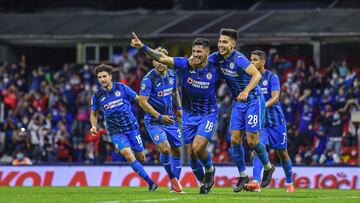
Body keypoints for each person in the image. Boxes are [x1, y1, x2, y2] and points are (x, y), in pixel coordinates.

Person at [131, 33, 219, 194]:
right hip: (162, 119)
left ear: (207, 52)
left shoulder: (176, 73)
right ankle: (198, 182)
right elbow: (142, 101)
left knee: (190, 149)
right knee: (186, 153)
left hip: (200, 114)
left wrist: (177, 109)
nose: (196, 55)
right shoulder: (177, 67)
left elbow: (174, 92)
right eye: (194, 52)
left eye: (199, 52)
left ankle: (207, 170)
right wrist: (142, 47)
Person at [208, 29, 275, 192]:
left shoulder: (239, 58)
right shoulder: (216, 57)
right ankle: (243, 175)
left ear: (233, 44)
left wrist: (245, 91)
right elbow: (199, 61)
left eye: (225, 42)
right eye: (219, 41)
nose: (221, 45)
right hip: (238, 103)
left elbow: (257, 76)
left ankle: (268, 167)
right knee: (235, 140)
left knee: (252, 141)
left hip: (253, 100)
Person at [90, 64, 158, 192]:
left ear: (110, 76)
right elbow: (94, 113)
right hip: (115, 131)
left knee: (141, 157)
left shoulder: (121, 87)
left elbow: (138, 99)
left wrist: (151, 110)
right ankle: (151, 183)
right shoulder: (97, 95)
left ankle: (144, 171)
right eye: (99, 77)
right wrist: (93, 125)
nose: (102, 79)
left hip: (131, 127)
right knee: (127, 154)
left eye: (104, 76)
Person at [244, 50, 294, 192]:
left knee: (282, 152)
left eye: (254, 59)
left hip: (276, 121)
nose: (252, 62)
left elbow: (275, 97)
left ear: (262, 62)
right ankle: (255, 182)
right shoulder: (249, 78)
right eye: (251, 59)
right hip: (261, 122)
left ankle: (290, 183)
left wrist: (262, 106)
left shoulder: (272, 77)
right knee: (258, 150)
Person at [139, 47, 183, 193]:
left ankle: (175, 186)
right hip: (155, 121)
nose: (160, 63)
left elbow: (175, 91)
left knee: (177, 151)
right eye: (156, 60)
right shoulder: (148, 79)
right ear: (153, 62)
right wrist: (159, 116)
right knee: (165, 148)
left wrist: (180, 108)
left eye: (162, 59)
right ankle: (173, 179)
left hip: (170, 119)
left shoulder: (172, 74)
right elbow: (142, 102)